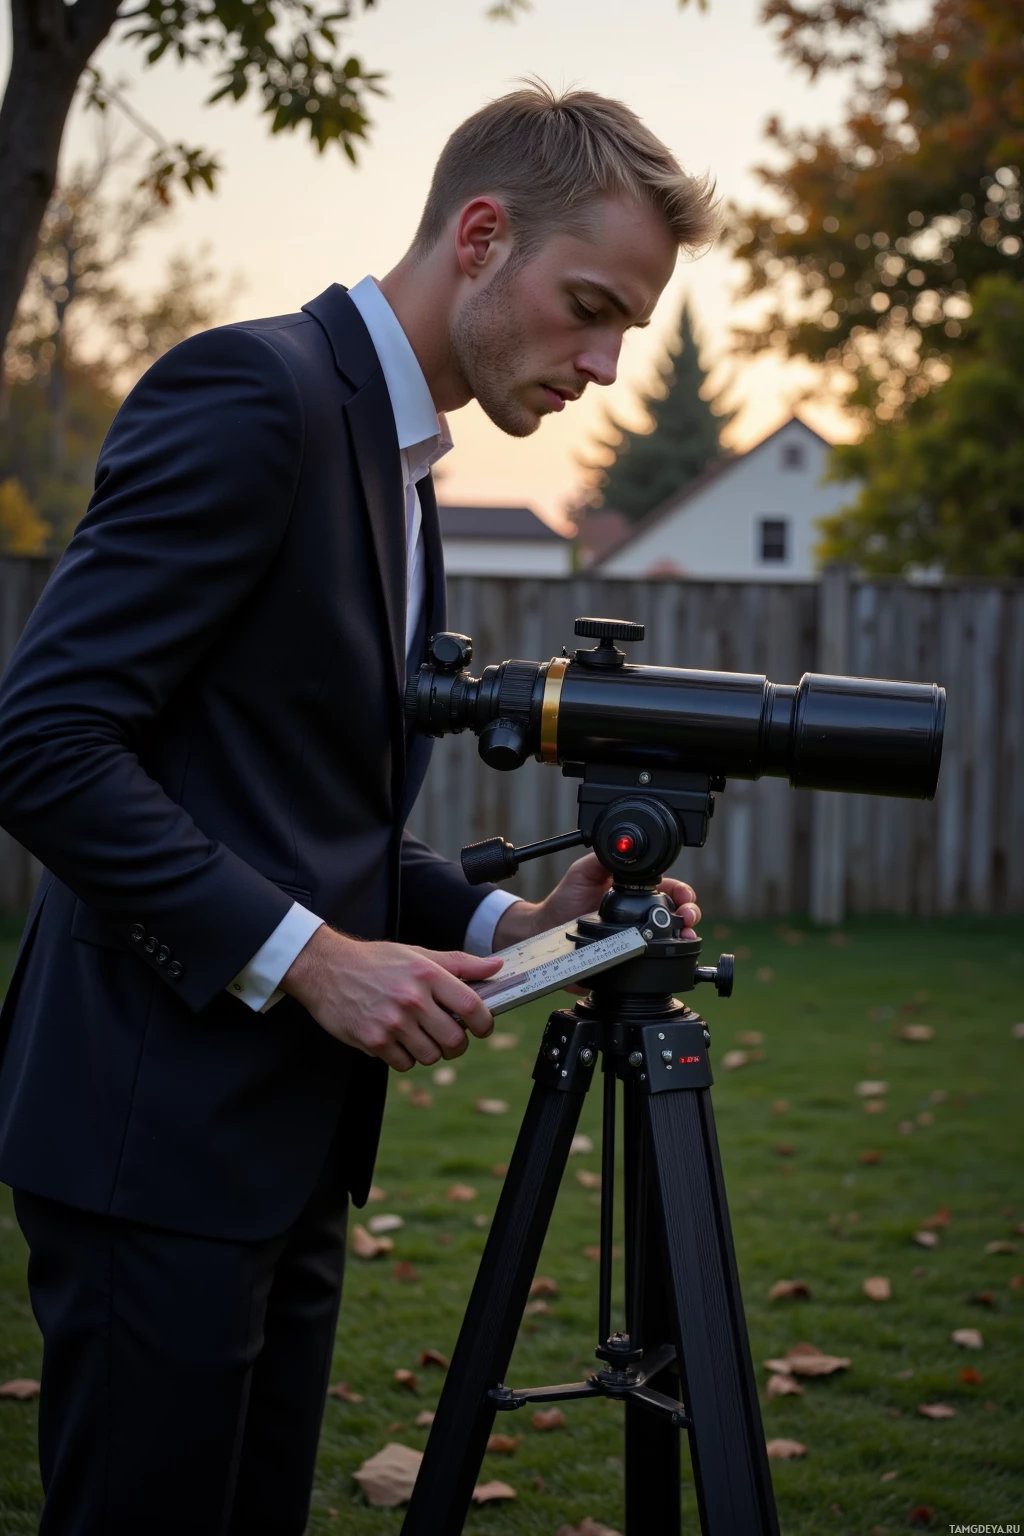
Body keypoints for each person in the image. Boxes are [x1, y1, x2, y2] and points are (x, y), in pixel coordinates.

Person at [0, 83, 714, 1533]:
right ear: (480, 233)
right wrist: (315, 960)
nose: (604, 361)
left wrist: (516, 919)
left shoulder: (403, 462)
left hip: (285, 1150)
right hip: (153, 1142)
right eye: (589, 307)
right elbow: (45, 739)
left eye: (627, 327)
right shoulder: (253, 394)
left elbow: (278, 804)